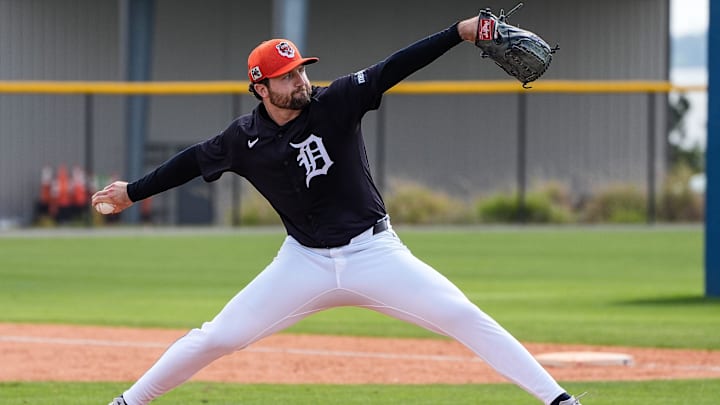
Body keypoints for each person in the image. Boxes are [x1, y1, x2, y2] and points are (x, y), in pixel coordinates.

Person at [94, 13, 584, 405]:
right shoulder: (241, 139)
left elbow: (395, 66)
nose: (300, 79)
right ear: (261, 88)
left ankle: (558, 400)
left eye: (301, 68)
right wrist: (131, 192)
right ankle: (128, 402)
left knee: (462, 315)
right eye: (287, 76)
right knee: (218, 336)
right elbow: (188, 163)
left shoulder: (337, 102)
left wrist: (458, 33)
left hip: (375, 254)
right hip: (302, 262)